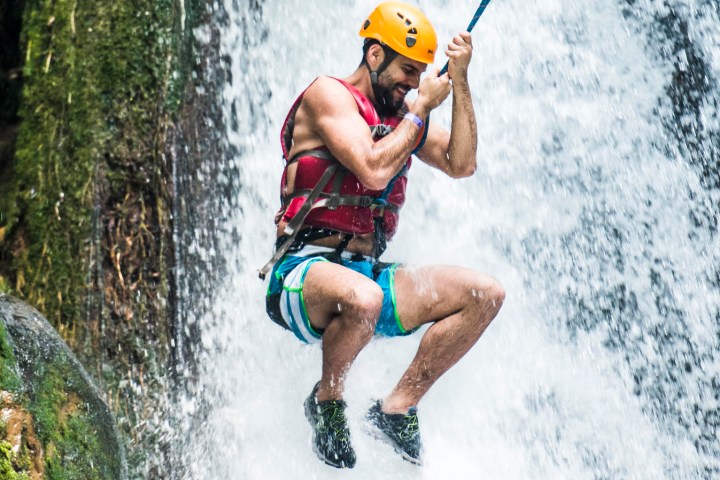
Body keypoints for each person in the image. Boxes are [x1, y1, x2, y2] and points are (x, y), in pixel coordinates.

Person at [260, 0, 504, 469]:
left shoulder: (404, 118)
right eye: (406, 72)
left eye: (419, 76)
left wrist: (461, 81)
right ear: (374, 56)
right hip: (301, 274)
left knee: (485, 294)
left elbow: (462, 164)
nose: (413, 85)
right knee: (365, 298)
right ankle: (327, 402)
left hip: (363, 274)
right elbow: (372, 171)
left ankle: (397, 407)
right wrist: (422, 110)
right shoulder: (327, 96)